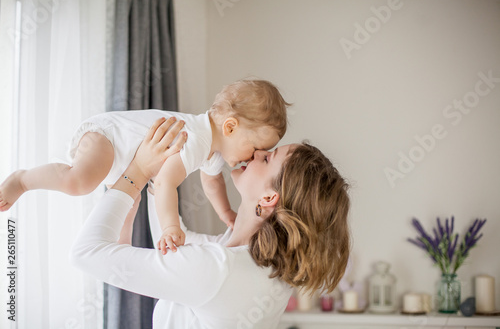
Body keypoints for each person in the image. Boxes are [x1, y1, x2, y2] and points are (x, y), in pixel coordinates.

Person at [70, 118, 351, 329]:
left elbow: (86, 253)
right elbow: (174, 245)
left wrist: (138, 171)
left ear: (268, 197)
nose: (255, 153)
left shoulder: (218, 269)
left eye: (266, 158)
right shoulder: (261, 265)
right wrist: (160, 177)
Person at [0, 79, 289, 250]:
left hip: (127, 161)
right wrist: (170, 226)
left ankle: (116, 253)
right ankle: (23, 180)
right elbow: (164, 182)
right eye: (256, 149)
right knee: (79, 182)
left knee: (125, 216)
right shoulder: (197, 139)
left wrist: (226, 212)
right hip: (110, 138)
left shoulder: (214, 152)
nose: (253, 158)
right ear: (229, 127)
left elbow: (211, 182)